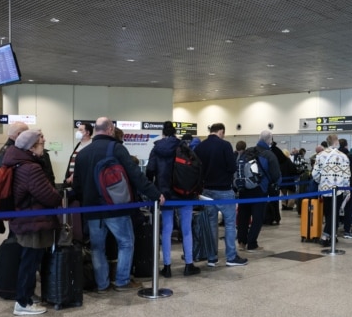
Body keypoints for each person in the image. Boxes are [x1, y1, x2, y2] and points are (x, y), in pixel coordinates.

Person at [73, 117, 164, 293]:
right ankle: (122, 281)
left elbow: (77, 185)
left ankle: (102, 284)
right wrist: (154, 193)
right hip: (116, 208)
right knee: (126, 243)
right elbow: (135, 175)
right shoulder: (116, 149)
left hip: (92, 210)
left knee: (97, 248)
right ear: (110, 130)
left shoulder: (82, 154)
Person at [2, 129, 61, 315]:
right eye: (41, 143)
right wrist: (56, 193)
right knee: (30, 262)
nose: (44, 146)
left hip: (25, 219)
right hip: (33, 221)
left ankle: (25, 298)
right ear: (32, 146)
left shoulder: (16, 163)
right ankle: (23, 302)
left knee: (27, 260)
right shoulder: (31, 168)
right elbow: (49, 196)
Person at [145, 121, 201, 277]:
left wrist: (155, 188)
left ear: (163, 133)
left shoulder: (156, 149)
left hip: (165, 194)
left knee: (167, 230)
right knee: (186, 229)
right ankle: (189, 264)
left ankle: (167, 267)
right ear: (175, 132)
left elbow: (150, 171)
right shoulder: (183, 147)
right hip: (184, 193)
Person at [194, 123, 248, 267]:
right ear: (221, 131)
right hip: (224, 190)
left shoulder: (200, 147)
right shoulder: (225, 145)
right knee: (230, 224)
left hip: (206, 191)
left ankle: (212, 258)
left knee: (211, 224)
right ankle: (231, 257)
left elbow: (197, 169)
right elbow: (232, 167)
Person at [236, 131, 281, 252]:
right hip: (260, 189)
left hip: (244, 189)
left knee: (243, 216)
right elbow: (276, 175)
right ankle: (252, 243)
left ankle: (241, 243)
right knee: (257, 217)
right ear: (270, 141)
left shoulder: (247, 151)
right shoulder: (269, 154)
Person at [312, 134, 350, 246]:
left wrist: (322, 181)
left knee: (328, 213)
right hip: (338, 189)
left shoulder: (320, 155)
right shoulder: (343, 156)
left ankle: (333, 235)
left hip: (324, 189)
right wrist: (347, 190)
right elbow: (346, 175)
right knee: (334, 213)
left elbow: (315, 174)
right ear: (336, 142)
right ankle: (325, 236)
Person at [339, 138, 352, 239]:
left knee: (336, 207)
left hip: (337, 185)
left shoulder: (336, 155)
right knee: (348, 208)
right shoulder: (350, 156)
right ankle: (347, 230)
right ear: (346, 145)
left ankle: (333, 230)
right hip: (349, 184)